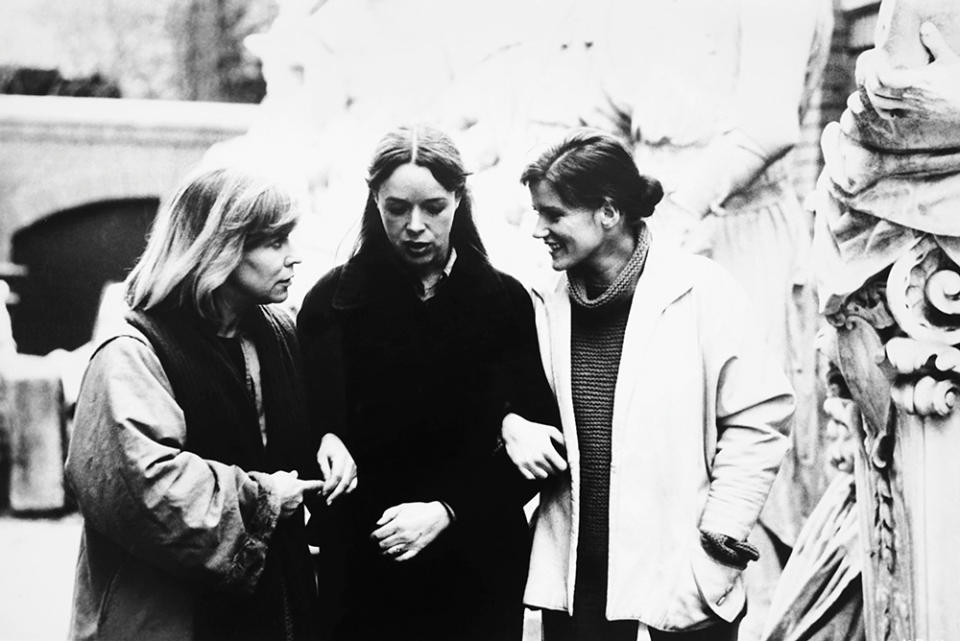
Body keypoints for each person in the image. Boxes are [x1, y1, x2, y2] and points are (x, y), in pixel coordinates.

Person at [501, 130, 794, 640]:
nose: (538, 230)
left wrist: (721, 535)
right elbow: (495, 395)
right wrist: (508, 423)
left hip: (681, 574)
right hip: (578, 587)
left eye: (553, 215)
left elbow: (758, 419)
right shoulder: (537, 304)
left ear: (608, 213)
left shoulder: (702, 291)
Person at [65, 164, 356, 641]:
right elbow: (144, 488)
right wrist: (261, 498)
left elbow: (301, 428)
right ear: (218, 246)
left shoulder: (281, 334)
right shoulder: (134, 351)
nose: (295, 257)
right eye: (275, 241)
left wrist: (329, 439)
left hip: (277, 606)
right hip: (169, 615)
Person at [297, 124, 559, 641]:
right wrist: (323, 441)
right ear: (374, 200)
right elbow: (301, 430)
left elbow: (544, 452)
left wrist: (448, 510)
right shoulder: (332, 302)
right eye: (397, 208)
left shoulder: (504, 302)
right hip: (366, 575)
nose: (415, 225)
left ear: (459, 198)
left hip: (477, 571)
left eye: (433, 207)